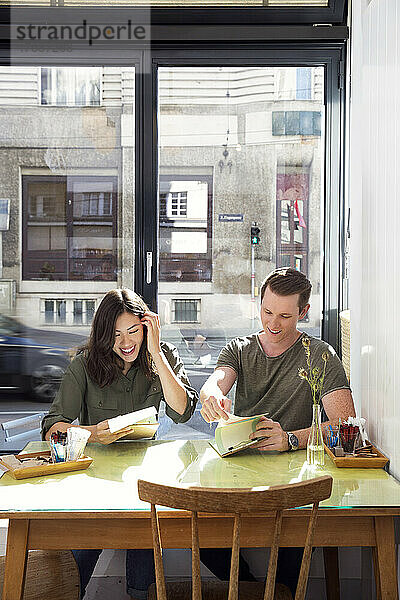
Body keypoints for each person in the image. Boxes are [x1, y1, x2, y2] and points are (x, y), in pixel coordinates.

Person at [200, 267, 355, 594]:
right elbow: (217, 380)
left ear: (304, 312)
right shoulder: (239, 349)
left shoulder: (320, 355)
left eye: (284, 316)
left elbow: (345, 427)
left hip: (295, 479)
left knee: (293, 546)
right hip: (240, 475)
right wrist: (211, 395)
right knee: (199, 531)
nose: (272, 323)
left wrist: (290, 439)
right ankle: (255, 591)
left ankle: (274, 590)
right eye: (267, 311)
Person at [41, 288, 198, 600]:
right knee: (79, 559)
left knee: (147, 533)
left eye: (133, 332)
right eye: (115, 335)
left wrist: (155, 352)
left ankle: (140, 593)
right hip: (95, 483)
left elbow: (182, 412)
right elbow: (51, 430)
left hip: (145, 479)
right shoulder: (84, 364)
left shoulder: (162, 356)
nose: (126, 344)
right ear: (103, 335)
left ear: (146, 327)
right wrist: (91, 434)